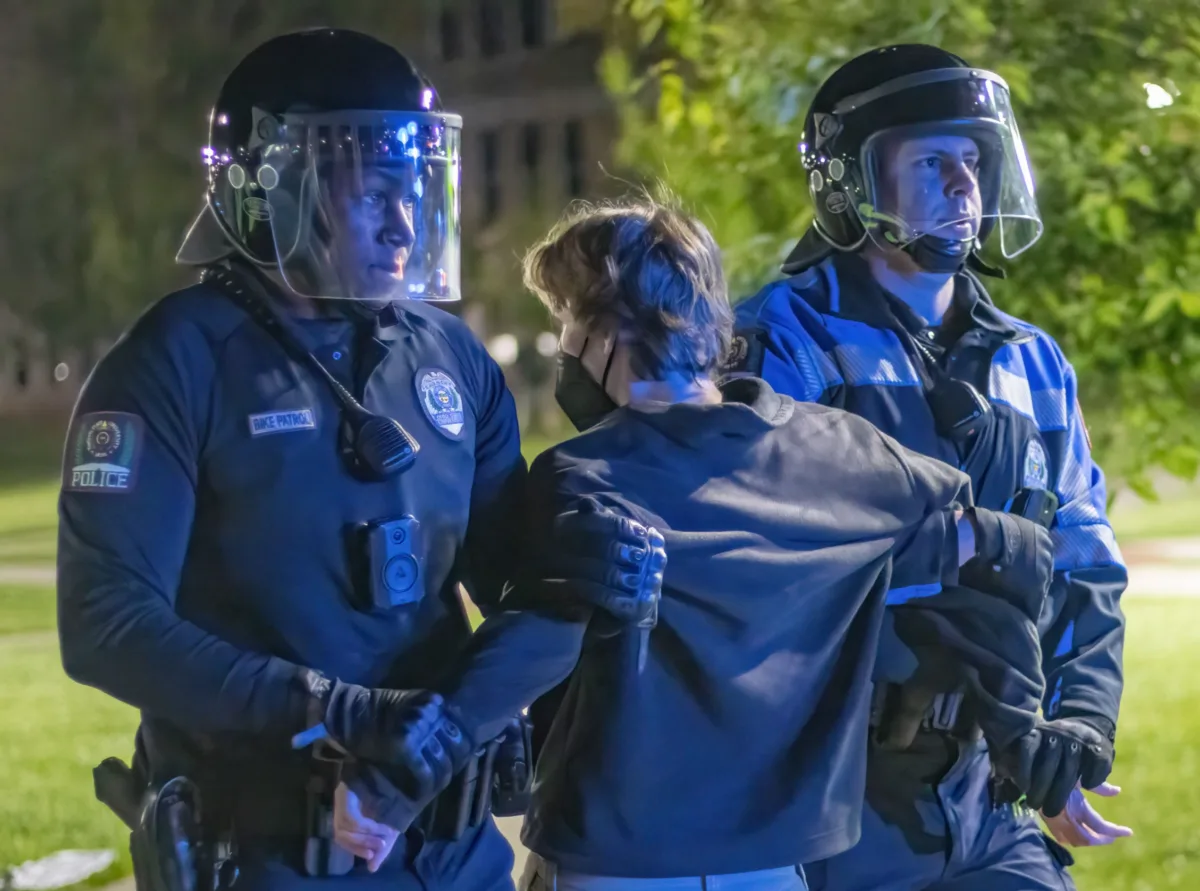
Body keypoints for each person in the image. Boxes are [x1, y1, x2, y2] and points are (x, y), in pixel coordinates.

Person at [57, 28, 648, 891]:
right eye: (374, 190)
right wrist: (330, 709)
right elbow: (105, 623)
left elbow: (512, 581)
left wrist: (580, 563)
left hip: (451, 844)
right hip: (264, 851)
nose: (404, 221)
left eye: (413, 188)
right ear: (276, 188)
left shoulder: (450, 357)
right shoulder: (171, 363)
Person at [332, 193, 1060, 890]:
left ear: (602, 333)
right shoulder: (846, 457)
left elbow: (537, 640)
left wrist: (393, 781)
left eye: (564, 323)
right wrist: (1025, 727)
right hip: (780, 867)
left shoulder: (589, 473)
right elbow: (1005, 552)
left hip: (616, 862)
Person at [727, 44, 1132, 891]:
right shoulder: (781, 344)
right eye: (933, 160)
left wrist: (1081, 722)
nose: (965, 187)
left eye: (976, 160)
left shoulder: (1034, 362)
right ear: (852, 182)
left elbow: (1086, 561)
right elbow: (771, 572)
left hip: (987, 798)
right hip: (829, 801)